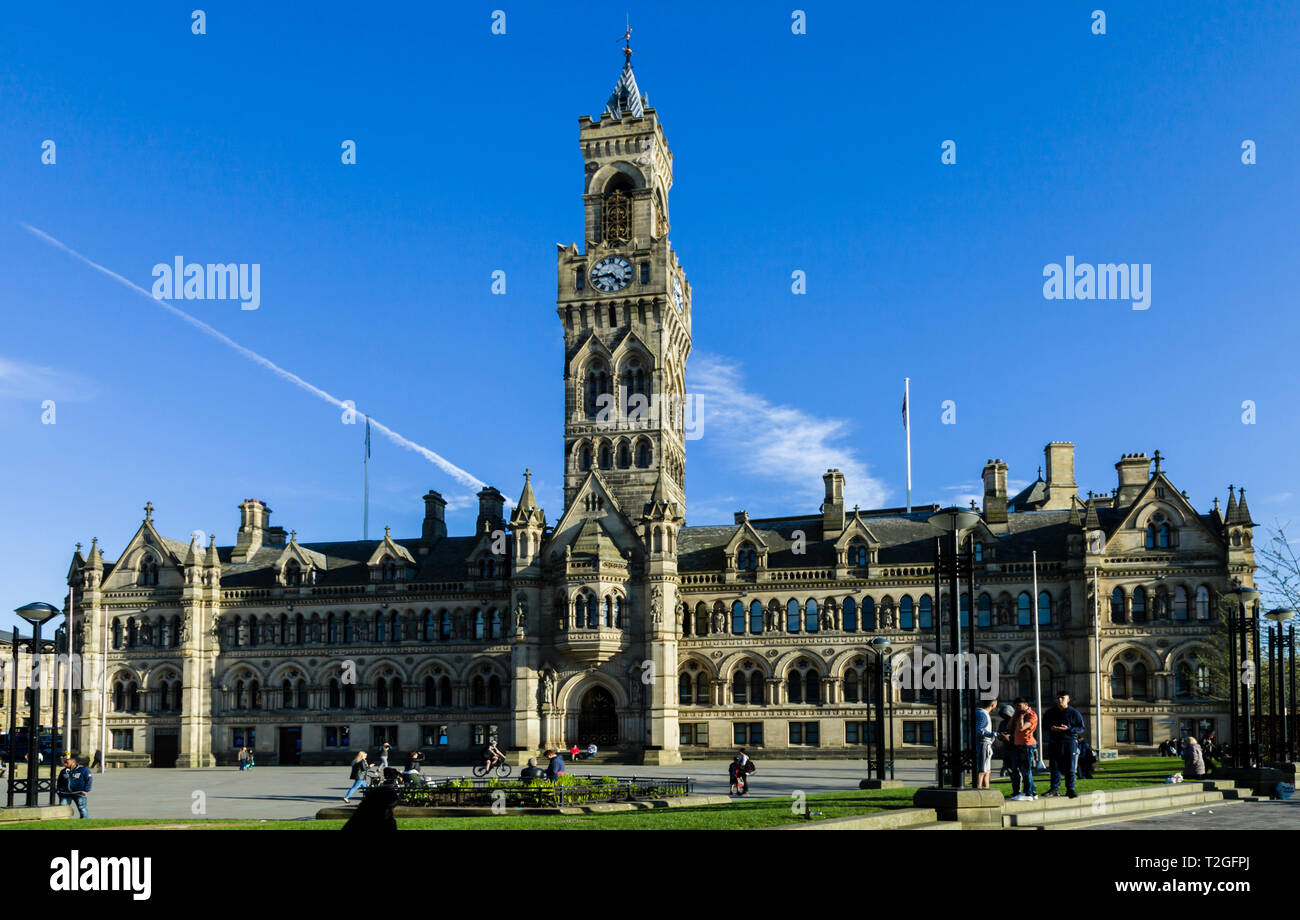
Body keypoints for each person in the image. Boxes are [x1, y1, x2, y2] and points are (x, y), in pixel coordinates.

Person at [1042, 691, 1085, 798]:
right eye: (1058, 698)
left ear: (1068, 700)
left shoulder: (1074, 713)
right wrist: (1051, 728)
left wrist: (1068, 729)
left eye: (1062, 698)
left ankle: (1070, 789)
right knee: (1054, 767)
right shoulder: (1050, 712)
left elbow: (1081, 728)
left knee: (1070, 767)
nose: (1059, 700)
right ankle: (1054, 789)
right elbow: (1044, 725)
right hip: (1055, 742)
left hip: (1069, 742)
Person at [1006, 697, 1039, 801]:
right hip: (1019, 744)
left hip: (1027, 745)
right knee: (1023, 769)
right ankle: (1033, 792)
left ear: (1026, 705)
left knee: (1026, 770)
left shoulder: (1031, 715)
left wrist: (1020, 715)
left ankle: (1028, 794)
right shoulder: (1017, 713)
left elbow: (1021, 728)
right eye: (1015, 706)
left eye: (1019, 706)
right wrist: (1015, 714)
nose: (1017, 708)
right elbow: (1009, 727)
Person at [56, 755, 93, 819]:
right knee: (63, 808)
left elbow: (89, 780)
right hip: (65, 793)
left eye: (67, 762)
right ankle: (63, 821)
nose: (65, 764)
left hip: (79, 792)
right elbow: (60, 781)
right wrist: (59, 790)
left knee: (82, 808)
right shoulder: (63, 771)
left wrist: (86, 790)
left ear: (73, 763)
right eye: (65, 762)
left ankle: (84, 821)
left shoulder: (83, 770)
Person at [974, 698, 998, 789]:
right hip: (983, 744)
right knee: (982, 770)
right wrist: (995, 734)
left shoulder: (981, 713)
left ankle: (987, 791)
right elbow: (980, 731)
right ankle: (978, 791)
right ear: (993, 705)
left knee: (987, 771)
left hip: (985, 744)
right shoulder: (982, 714)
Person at [995, 703, 1016, 778]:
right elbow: (999, 733)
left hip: (1015, 747)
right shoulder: (1002, 723)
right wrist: (1001, 736)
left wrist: (1009, 737)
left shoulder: (1016, 722)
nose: (1005, 716)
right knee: (1006, 763)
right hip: (1006, 747)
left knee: (1015, 765)